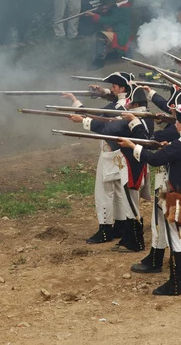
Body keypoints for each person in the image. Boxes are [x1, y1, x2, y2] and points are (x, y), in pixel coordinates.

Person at [119, 106, 181, 296]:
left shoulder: (179, 145)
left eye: (178, 121)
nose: (175, 123)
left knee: (176, 240)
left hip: (176, 198)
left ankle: (175, 285)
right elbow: (176, 156)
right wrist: (166, 148)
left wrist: (133, 146)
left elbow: (153, 159)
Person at [67, 86, 153, 252]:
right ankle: (129, 238)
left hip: (130, 167)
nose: (126, 104)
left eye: (129, 101)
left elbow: (108, 129)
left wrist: (83, 121)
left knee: (131, 206)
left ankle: (136, 242)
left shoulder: (133, 119)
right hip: (135, 165)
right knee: (129, 203)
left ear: (134, 103)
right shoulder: (144, 116)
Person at [62, 72, 134, 243]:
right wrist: (102, 92)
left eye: (114, 87)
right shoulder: (129, 104)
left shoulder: (117, 108)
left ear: (122, 88)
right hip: (121, 155)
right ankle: (120, 225)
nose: (112, 89)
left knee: (103, 192)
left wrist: (77, 108)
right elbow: (111, 103)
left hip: (111, 154)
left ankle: (105, 229)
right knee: (117, 191)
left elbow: (95, 116)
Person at [84, 0, 132, 70]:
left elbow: (109, 20)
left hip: (121, 35)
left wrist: (93, 15)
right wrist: (107, 8)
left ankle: (98, 62)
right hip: (118, 30)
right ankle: (115, 54)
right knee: (106, 29)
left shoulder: (124, 9)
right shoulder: (123, 5)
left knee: (101, 35)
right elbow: (114, 10)